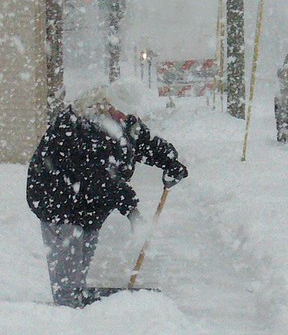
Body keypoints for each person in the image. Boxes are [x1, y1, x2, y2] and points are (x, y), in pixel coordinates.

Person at [26, 85, 188, 307]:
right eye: (122, 113)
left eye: (131, 115)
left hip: (86, 204)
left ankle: (77, 307)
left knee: (82, 259)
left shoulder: (122, 121)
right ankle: (65, 314)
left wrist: (169, 160)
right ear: (108, 106)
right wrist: (131, 209)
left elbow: (142, 141)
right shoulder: (81, 125)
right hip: (57, 200)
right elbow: (99, 179)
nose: (127, 119)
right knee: (68, 270)